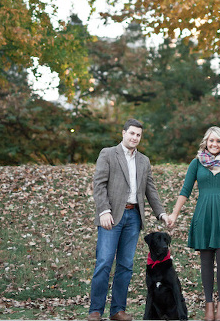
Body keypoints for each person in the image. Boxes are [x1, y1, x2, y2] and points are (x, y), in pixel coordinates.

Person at [88, 119, 169, 321]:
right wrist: (103, 211)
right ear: (123, 133)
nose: (134, 137)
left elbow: (150, 189)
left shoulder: (144, 161)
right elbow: (99, 184)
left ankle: (117, 310)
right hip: (111, 216)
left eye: (138, 135)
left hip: (134, 217)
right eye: (132, 133)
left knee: (125, 265)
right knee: (104, 262)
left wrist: (161, 213)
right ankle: (95, 311)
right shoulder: (108, 154)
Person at [167, 126, 220, 321]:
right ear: (206, 142)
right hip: (204, 215)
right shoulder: (197, 163)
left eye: (218, 141)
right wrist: (174, 214)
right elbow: (185, 190)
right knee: (206, 261)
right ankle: (209, 305)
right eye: (211, 140)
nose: (214, 144)